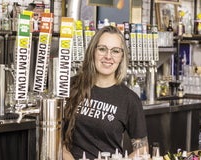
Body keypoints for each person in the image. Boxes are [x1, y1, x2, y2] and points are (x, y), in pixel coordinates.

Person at [63, 25, 148, 160]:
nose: (108, 56)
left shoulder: (129, 99)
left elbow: (142, 150)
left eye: (115, 51)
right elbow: (55, 137)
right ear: (93, 51)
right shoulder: (71, 86)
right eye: (102, 49)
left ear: (122, 56)